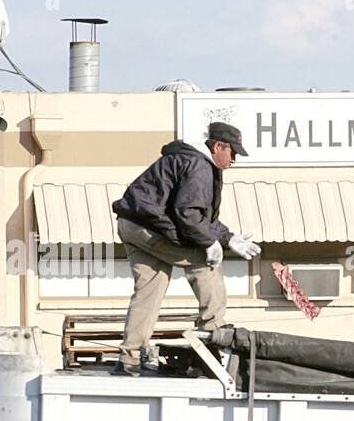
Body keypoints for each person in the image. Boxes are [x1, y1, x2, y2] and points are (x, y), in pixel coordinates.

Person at [111, 121, 261, 374]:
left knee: (150, 289)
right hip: (149, 226)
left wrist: (228, 238)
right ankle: (214, 337)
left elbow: (200, 217)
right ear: (218, 146)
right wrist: (209, 243)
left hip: (132, 224)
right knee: (206, 264)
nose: (235, 159)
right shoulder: (199, 166)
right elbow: (189, 215)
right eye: (233, 152)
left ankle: (131, 357)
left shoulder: (187, 160)